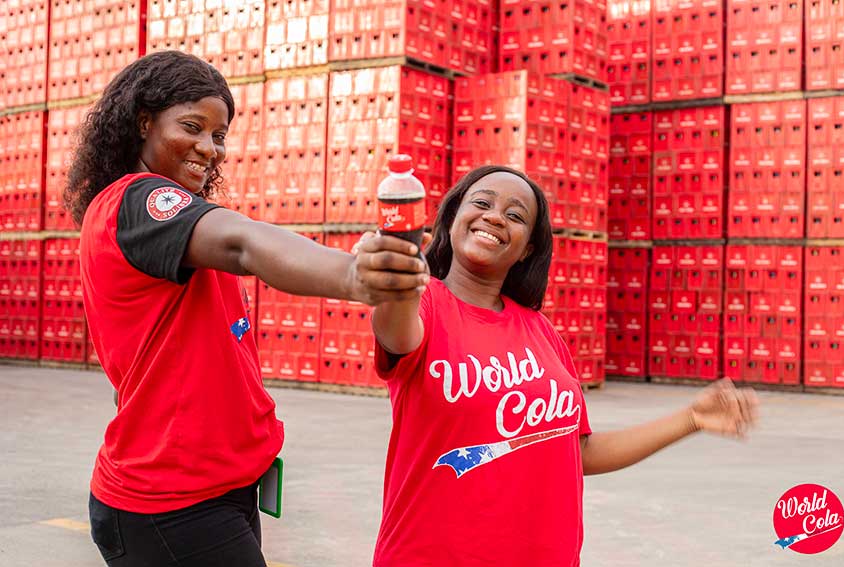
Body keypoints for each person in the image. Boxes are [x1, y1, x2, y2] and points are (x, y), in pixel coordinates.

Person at [64, 50, 428, 567]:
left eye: (219, 136)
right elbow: (243, 243)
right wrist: (352, 274)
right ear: (142, 122)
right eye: (192, 126)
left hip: (216, 488)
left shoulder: (168, 220)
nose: (208, 148)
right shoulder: (140, 201)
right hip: (172, 501)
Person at [367, 165, 760, 567]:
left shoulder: (541, 331)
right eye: (482, 203)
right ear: (452, 219)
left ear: (526, 249)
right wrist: (397, 272)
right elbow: (395, 331)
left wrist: (691, 418)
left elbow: (576, 450)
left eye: (516, 215)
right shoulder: (424, 304)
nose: (495, 216)